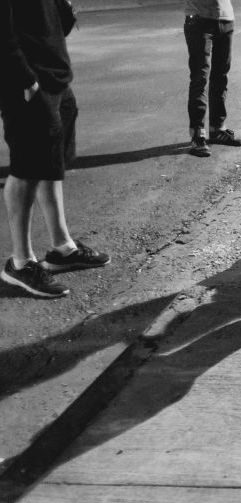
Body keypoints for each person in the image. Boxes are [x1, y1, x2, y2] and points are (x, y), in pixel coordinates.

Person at [0, 0, 109, 299]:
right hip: (25, 81)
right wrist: (25, 79)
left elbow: (58, 24)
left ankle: (62, 248)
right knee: (26, 168)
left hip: (54, 74)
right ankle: (20, 263)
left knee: (51, 162)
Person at [184, 0, 241, 157]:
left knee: (221, 76)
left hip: (226, 18)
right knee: (200, 78)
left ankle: (217, 129)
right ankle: (197, 135)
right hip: (199, 19)